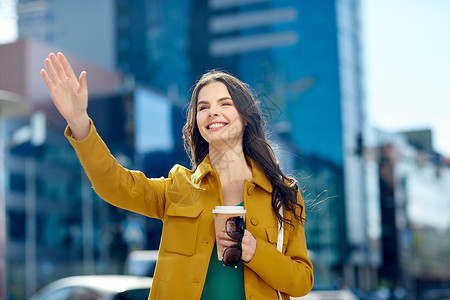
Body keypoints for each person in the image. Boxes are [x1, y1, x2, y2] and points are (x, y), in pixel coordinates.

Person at [41, 52, 314, 300]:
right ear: (197, 121)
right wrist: (78, 120)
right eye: (203, 107)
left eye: (225, 103)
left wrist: (256, 252)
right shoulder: (178, 187)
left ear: (245, 118)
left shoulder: (283, 194)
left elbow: (301, 281)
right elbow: (113, 184)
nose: (212, 112)